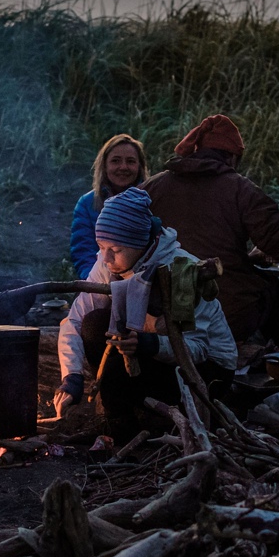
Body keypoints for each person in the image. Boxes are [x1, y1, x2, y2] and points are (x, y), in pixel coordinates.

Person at [53, 187, 238, 441]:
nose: (105, 258)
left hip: (208, 370)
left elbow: (199, 348)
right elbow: (75, 319)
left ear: (139, 244)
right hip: (150, 355)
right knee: (94, 325)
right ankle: (123, 417)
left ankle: (147, 426)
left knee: (117, 347)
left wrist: (149, 344)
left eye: (114, 249)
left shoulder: (180, 270)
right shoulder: (108, 263)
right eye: (100, 246)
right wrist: (71, 377)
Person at [143, 115, 279, 351]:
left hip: (158, 310)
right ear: (233, 157)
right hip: (224, 314)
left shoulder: (151, 187)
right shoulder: (242, 189)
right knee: (269, 288)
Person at [70, 134, 149, 279]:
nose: (123, 167)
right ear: (104, 166)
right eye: (115, 161)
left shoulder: (152, 199)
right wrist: (98, 284)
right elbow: (83, 251)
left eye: (130, 161)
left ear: (139, 167)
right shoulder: (88, 203)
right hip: (100, 282)